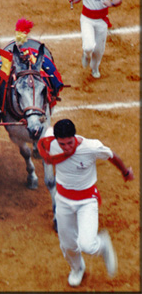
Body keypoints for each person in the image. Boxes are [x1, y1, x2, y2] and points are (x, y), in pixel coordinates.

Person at [37, 119, 134, 287]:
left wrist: (125, 172)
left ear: (74, 137)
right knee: (67, 245)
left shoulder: (91, 147)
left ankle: (103, 244)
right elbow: (42, 129)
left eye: (69, 142)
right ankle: (77, 268)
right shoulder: (50, 141)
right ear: (56, 140)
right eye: (62, 144)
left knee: (87, 245)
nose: (66, 147)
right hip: (63, 201)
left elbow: (112, 156)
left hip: (87, 201)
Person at [68, 0, 123, 78]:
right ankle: (86, 54)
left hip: (101, 21)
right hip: (86, 19)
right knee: (88, 46)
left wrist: (112, 3)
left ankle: (95, 67)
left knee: (98, 50)